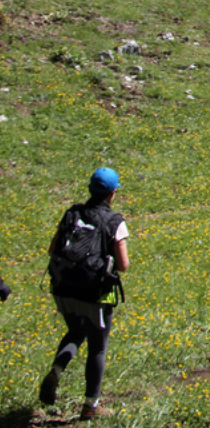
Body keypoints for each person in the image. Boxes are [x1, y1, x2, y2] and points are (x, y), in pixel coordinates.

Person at [39, 167, 129, 421]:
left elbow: (53, 249)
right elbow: (123, 265)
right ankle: (91, 405)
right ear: (113, 194)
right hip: (95, 293)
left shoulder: (72, 213)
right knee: (98, 347)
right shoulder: (115, 221)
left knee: (76, 331)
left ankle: (56, 371)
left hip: (63, 289)